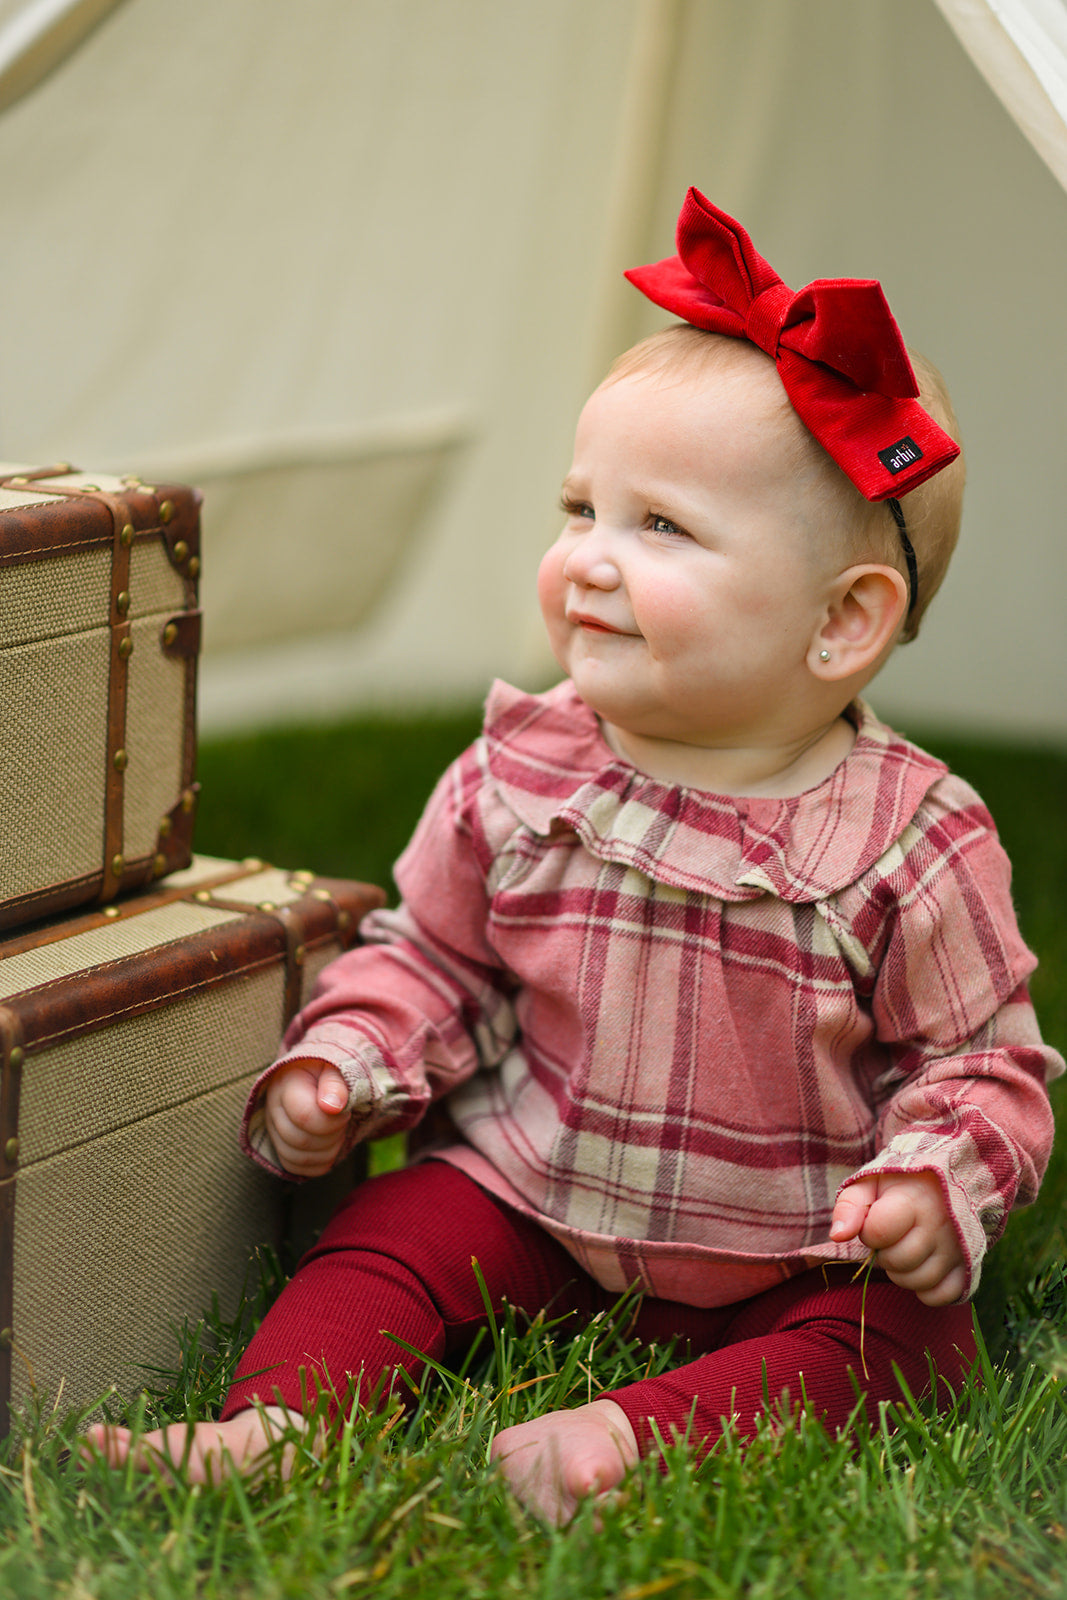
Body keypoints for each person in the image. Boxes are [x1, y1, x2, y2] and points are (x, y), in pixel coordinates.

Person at [89, 190, 1061, 1522]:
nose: (587, 561)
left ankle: (627, 1435)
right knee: (394, 1229)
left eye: (659, 527)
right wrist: (353, 1059)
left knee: (910, 1342)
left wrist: (934, 1183)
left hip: (793, 1241)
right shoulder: (523, 769)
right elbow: (434, 956)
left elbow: (977, 1062)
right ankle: (275, 1422)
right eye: (579, 508)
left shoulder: (909, 837)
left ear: (843, 624)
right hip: (539, 1192)